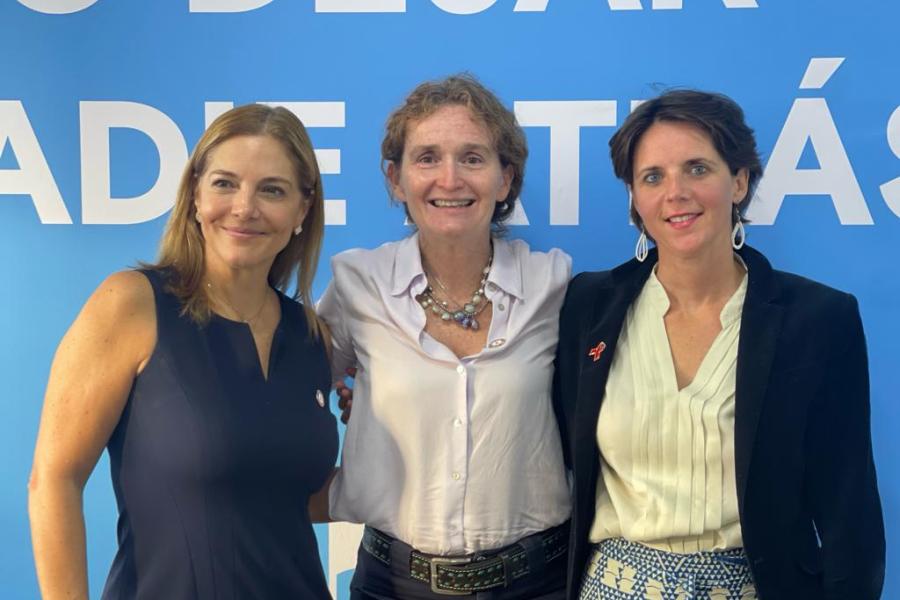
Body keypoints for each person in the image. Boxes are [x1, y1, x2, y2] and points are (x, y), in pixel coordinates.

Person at [553, 89, 885, 600]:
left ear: (740, 180)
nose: (675, 192)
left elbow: (848, 512)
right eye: (652, 177)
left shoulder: (817, 319)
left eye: (698, 169)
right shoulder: (589, 306)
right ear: (636, 200)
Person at [28, 104, 338, 600]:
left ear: (302, 210)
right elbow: (54, 481)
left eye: (272, 190)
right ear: (194, 195)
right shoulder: (132, 303)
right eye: (224, 183)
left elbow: (287, 489)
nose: (244, 207)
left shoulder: (311, 334)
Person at [317, 74, 572, 599]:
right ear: (396, 179)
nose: (449, 179)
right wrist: (365, 412)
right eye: (427, 157)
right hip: (391, 583)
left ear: (505, 180)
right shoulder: (356, 284)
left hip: (540, 582)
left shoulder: (556, 284)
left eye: (473, 158)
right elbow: (279, 400)